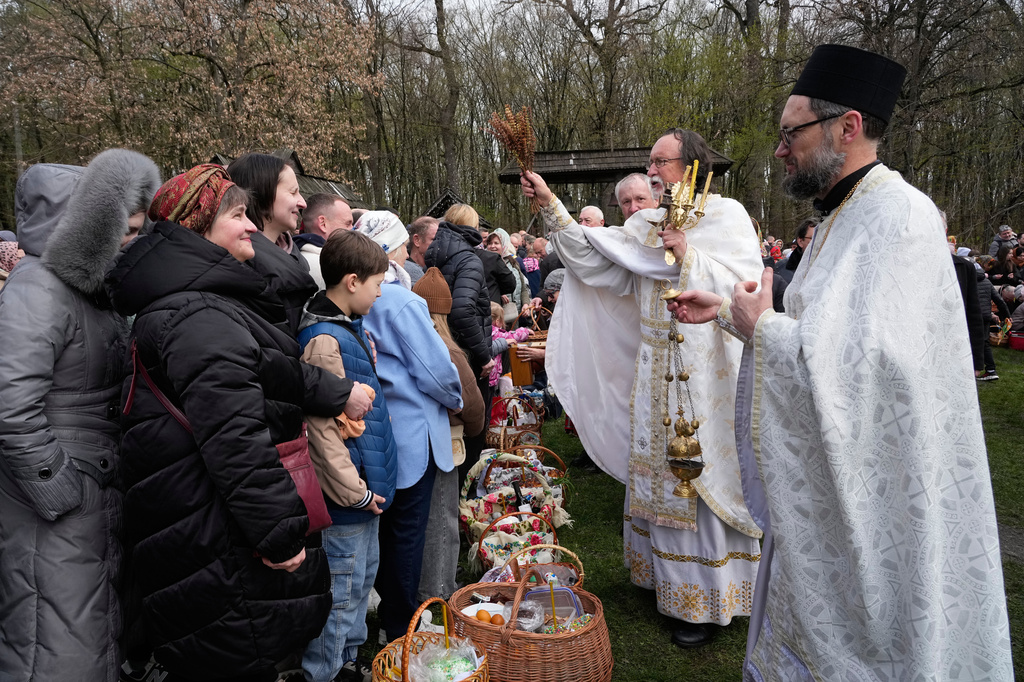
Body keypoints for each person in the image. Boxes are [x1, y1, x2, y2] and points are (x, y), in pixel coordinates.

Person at [668, 44, 1012, 679]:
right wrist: (727, 313)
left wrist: (762, 328)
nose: (779, 151)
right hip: (829, 490)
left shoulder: (899, 217)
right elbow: (825, 335)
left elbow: (877, 370)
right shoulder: (838, 218)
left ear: (847, 127)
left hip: (880, 495)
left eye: (790, 133)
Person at [108, 164, 354, 682]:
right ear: (198, 229)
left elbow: (272, 370)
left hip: (204, 528)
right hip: (216, 539)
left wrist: (338, 393)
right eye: (238, 215)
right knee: (240, 653)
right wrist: (281, 535)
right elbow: (235, 438)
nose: (249, 227)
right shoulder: (198, 316)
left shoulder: (202, 305)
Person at [521, 129, 764, 649]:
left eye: (661, 161)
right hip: (655, 369)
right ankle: (662, 582)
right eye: (649, 162)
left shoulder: (728, 217)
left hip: (708, 372)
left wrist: (690, 256)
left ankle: (704, 601)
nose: (652, 171)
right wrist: (550, 204)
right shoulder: (644, 224)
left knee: (699, 475)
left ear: (692, 163)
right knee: (659, 472)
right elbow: (596, 261)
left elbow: (747, 290)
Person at [0, 150, 159, 682]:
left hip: (90, 488)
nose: (133, 240)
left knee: (86, 629)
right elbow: (9, 403)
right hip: (56, 500)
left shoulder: (89, 290)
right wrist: (57, 483)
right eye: (126, 230)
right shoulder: (38, 287)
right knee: (53, 635)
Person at [353, 214, 463, 644]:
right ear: (396, 248)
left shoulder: (360, 297)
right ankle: (401, 626)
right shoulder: (401, 301)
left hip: (375, 431)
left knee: (384, 529)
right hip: (414, 434)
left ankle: (388, 615)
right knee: (408, 533)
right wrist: (455, 399)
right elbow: (436, 370)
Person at [295, 228, 397, 682]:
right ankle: (327, 672)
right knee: (341, 596)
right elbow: (322, 435)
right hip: (347, 501)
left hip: (364, 495)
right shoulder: (323, 341)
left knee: (359, 587)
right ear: (352, 281)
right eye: (377, 284)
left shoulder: (346, 330)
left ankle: (348, 666)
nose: (380, 294)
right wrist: (354, 493)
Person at [414, 267, 486, 602]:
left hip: (410, 445)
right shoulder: (448, 350)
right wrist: (473, 430)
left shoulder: (401, 340)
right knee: (442, 520)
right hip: (442, 444)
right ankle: (440, 592)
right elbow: (472, 406)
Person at [228, 153, 316, 333]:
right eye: (293, 192)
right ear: (262, 193)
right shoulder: (245, 265)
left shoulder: (292, 255)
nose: (303, 203)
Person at [297, 193, 354, 289]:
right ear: (323, 224)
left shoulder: (294, 256)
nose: (353, 230)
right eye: (347, 224)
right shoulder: (327, 268)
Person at [774, 218, 815, 283]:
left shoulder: (833, 268)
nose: (820, 242)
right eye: (814, 238)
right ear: (800, 241)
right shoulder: (781, 269)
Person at [405, 215, 439, 286]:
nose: (439, 244)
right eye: (434, 239)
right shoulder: (405, 275)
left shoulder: (437, 270)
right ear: (417, 240)